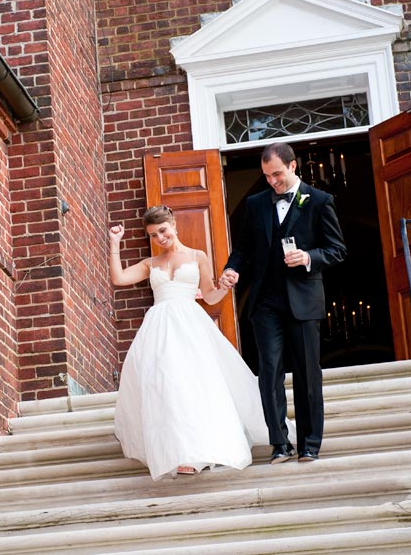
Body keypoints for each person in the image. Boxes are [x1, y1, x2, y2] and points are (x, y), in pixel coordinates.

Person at [110, 205, 284, 481]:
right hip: (159, 328)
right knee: (167, 386)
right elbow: (119, 279)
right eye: (154, 235)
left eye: (163, 231)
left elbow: (212, 297)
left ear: (173, 225)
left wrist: (225, 286)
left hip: (190, 325)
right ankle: (179, 451)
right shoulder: (150, 264)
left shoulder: (197, 256)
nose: (160, 238)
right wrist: (115, 243)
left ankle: (199, 451)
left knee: (193, 383)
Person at [220, 142, 346, 465]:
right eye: (266, 176)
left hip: (303, 299)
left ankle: (309, 444)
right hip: (265, 302)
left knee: (307, 373)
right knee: (269, 371)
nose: (272, 182)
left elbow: (337, 249)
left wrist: (308, 257)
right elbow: (244, 248)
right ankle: (279, 442)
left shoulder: (319, 201)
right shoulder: (256, 204)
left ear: (292, 166)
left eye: (277, 174)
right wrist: (232, 268)